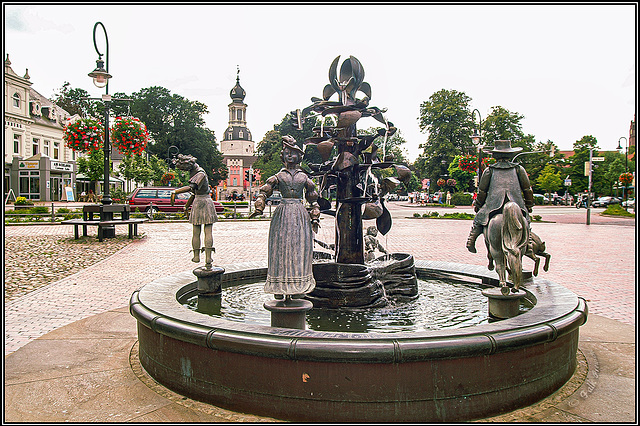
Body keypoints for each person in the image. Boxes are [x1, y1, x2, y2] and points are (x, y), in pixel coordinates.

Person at [252, 135, 320, 301]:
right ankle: (279, 285)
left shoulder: (304, 177)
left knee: (299, 247)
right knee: (281, 247)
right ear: (282, 156)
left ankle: (299, 284)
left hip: (299, 214)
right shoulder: (278, 176)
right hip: (282, 213)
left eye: (293, 153)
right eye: (287, 152)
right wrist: (259, 205)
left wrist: (315, 215)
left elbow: (313, 199)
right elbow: (264, 191)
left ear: (299, 157)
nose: (290, 155)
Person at [466, 140, 534, 253]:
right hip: (516, 203)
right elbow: (527, 189)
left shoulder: (489, 171)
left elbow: (482, 191)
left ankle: (471, 240)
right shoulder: (519, 169)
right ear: (510, 154)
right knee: (526, 220)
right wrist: (529, 204)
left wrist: (478, 205)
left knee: (479, 218)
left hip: (494, 205)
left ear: (494, 155)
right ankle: (529, 242)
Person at [171, 154, 218, 267]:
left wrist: (175, 192)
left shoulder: (200, 173)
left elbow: (192, 188)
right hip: (202, 200)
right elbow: (193, 193)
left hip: (202, 201)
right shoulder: (197, 172)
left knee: (205, 231)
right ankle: (199, 256)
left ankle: (207, 257)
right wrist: (186, 206)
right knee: (199, 231)